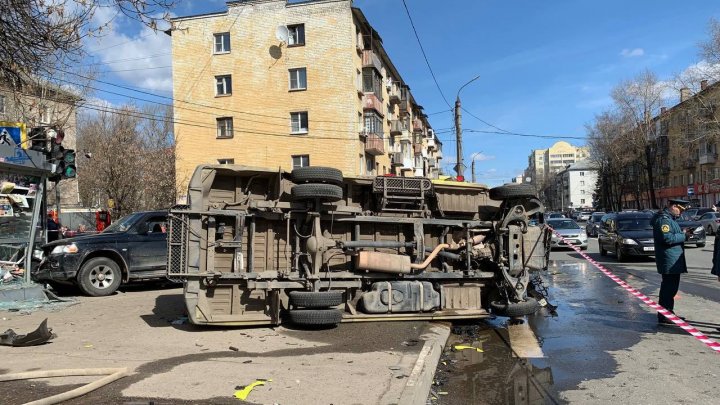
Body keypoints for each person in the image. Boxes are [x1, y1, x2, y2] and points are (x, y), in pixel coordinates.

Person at [651, 198, 690, 325]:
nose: (681, 212)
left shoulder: (670, 219)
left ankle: (669, 312)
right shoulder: (664, 220)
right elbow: (667, 238)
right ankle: (665, 314)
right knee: (668, 289)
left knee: (671, 288)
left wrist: (683, 233)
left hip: (671, 259)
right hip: (669, 260)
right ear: (672, 206)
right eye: (679, 209)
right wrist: (684, 236)